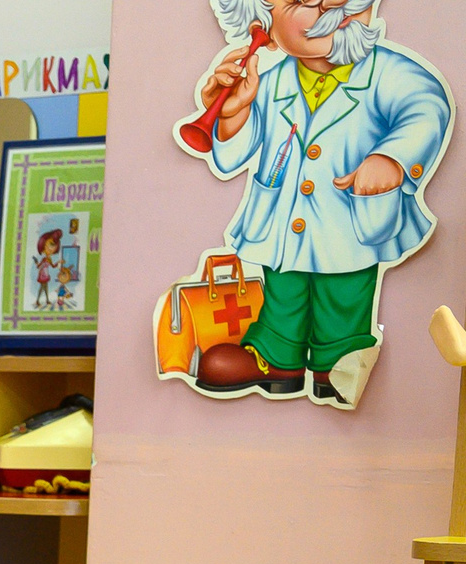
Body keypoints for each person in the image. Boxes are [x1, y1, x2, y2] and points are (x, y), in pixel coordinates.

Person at [187, 0, 450, 407]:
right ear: (265, 26)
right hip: (282, 221)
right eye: (304, 1)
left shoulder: (392, 75)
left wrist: (393, 158)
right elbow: (234, 153)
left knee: (343, 290)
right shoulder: (270, 84)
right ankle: (276, 356)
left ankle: (338, 358)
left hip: (351, 223)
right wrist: (233, 112)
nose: (333, 5)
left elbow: (426, 108)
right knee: (284, 288)